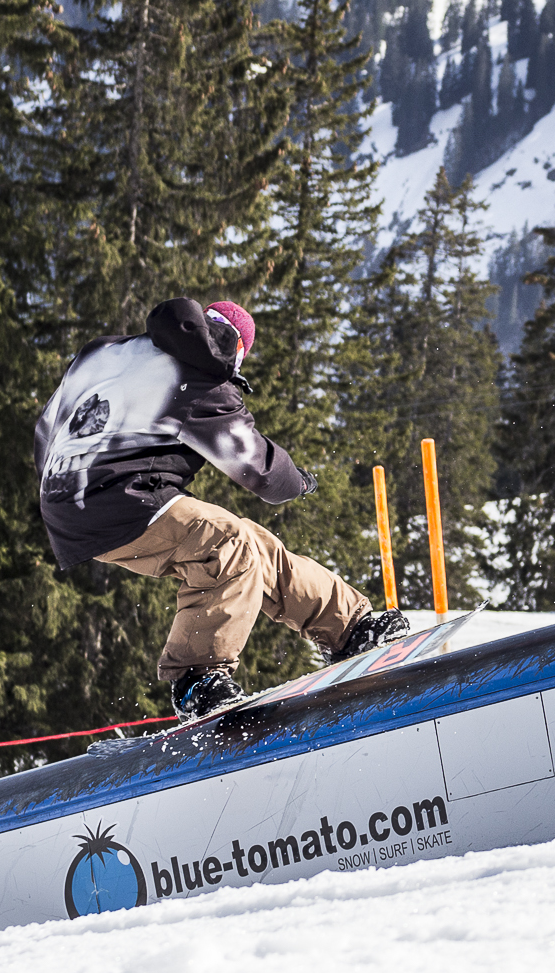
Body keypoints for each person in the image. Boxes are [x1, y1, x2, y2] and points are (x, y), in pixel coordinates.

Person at [34, 297, 409, 719]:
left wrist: (61, 484)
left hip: (73, 494)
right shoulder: (199, 381)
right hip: (115, 499)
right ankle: (197, 676)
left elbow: (46, 425)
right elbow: (257, 469)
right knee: (226, 543)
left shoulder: (109, 351)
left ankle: (348, 627)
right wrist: (298, 481)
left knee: (246, 540)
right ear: (236, 351)